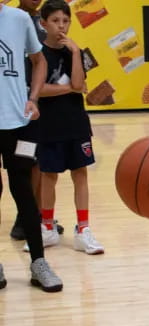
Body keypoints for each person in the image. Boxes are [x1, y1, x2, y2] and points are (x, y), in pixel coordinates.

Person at [23, 0, 104, 254]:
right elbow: (41, 91)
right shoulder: (36, 55)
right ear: (43, 23)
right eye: (56, 21)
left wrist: (77, 54)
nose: (61, 26)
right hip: (49, 125)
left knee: (80, 175)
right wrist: (69, 88)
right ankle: (47, 227)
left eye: (65, 21)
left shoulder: (74, 52)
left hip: (76, 124)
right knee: (48, 176)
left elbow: (79, 84)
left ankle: (83, 229)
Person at [0, 1, 62, 292]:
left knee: (23, 190)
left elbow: (40, 61)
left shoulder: (20, 18)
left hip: (19, 121)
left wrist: (33, 99)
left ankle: (39, 263)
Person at [10, 0, 65, 241]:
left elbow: (46, 62)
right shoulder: (12, 18)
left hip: (38, 106)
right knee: (23, 163)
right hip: (15, 104)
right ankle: (24, 217)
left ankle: (40, 216)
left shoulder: (42, 23)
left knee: (37, 163)